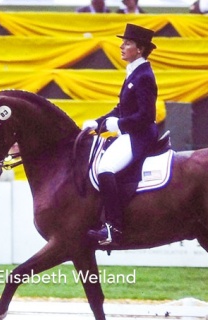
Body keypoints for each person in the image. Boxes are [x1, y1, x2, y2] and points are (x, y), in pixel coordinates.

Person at [84, 24, 158, 246]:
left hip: (140, 136)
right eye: (123, 42)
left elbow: (147, 115)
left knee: (105, 169)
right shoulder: (134, 72)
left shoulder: (144, 75)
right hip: (131, 132)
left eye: (127, 43)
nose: (121, 46)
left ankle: (113, 228)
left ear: (140, 48)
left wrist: (120, 125)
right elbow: (121, 108)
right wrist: (98, 123)